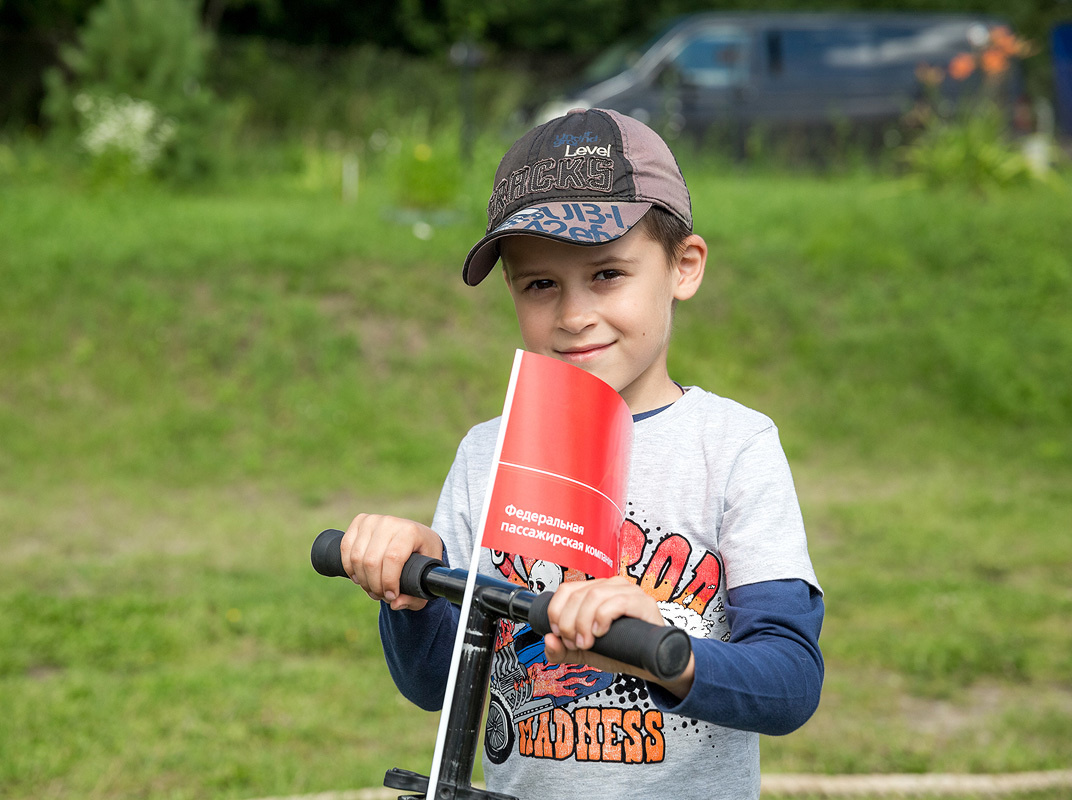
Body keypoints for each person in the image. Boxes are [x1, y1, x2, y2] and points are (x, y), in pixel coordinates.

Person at [340, 108, 823, 800]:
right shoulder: (489, 454)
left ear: (684, 266)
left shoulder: (734, 447)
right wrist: (411, 588)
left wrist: (668, 657)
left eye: (606, 274)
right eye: (541, 284)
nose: (572, 315)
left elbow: (790, 682)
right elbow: (437, 687)